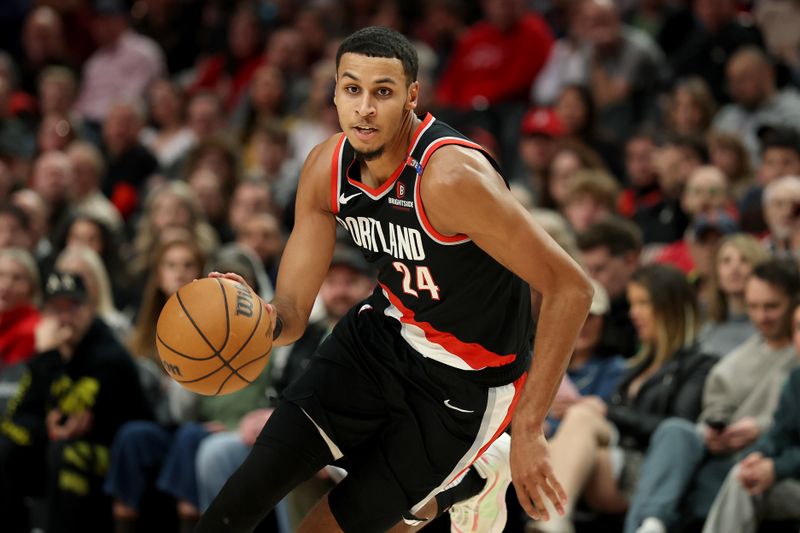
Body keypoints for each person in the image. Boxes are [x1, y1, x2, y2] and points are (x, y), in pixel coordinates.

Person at [196, 27, 593, 533]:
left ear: (411, 97)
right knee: (240, 497)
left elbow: (571, 287)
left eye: (382, 91)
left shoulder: (451, 179)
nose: (364, 107)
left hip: (467, 386)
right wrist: (254, 318)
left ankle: (472, 478)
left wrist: (532, 427)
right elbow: (292, 314)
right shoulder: (325, 168)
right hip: (379, 340)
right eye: (351, 88)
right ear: (335, 93)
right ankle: (449, 488)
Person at [528, 265, 715, 533]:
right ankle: (553, 520)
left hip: (653, 466)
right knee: (571, 426)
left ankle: (553, 519)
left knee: (583, 415)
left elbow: (676, 430)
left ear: (670, 307)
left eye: (643, 303)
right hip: (616, 455)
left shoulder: (698, 364)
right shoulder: (637, 366)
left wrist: (607, 411)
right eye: (632, 304)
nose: (633, 313)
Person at [624, 258, 800, 533]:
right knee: (675, 431)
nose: (762, 316)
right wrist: (715, 431)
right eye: (753, 307)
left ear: (792, 303)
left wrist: (758, 436)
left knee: (725, 478)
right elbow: (715, 410)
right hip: (728, 451)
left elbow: (782, 433)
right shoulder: (734, 362)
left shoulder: (795, 362)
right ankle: (650, 524)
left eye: (772, 307)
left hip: (765, 464)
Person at [0, 271, 151, 533]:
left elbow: (73, 418)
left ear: (91, 309)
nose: (65, 318)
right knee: (6, 446)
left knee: (67, 451)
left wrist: (48, 357)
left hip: (116, 453)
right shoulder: (51, 351)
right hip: (62, 445)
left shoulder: (108, 355)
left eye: (73, 307)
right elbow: (22, 413)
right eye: (56, 309)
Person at [702, 305, 800, 533]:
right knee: (744, 477)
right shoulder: (796, 380)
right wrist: (754, 458)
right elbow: (779, 434)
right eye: (797, 328)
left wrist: (776, 468)